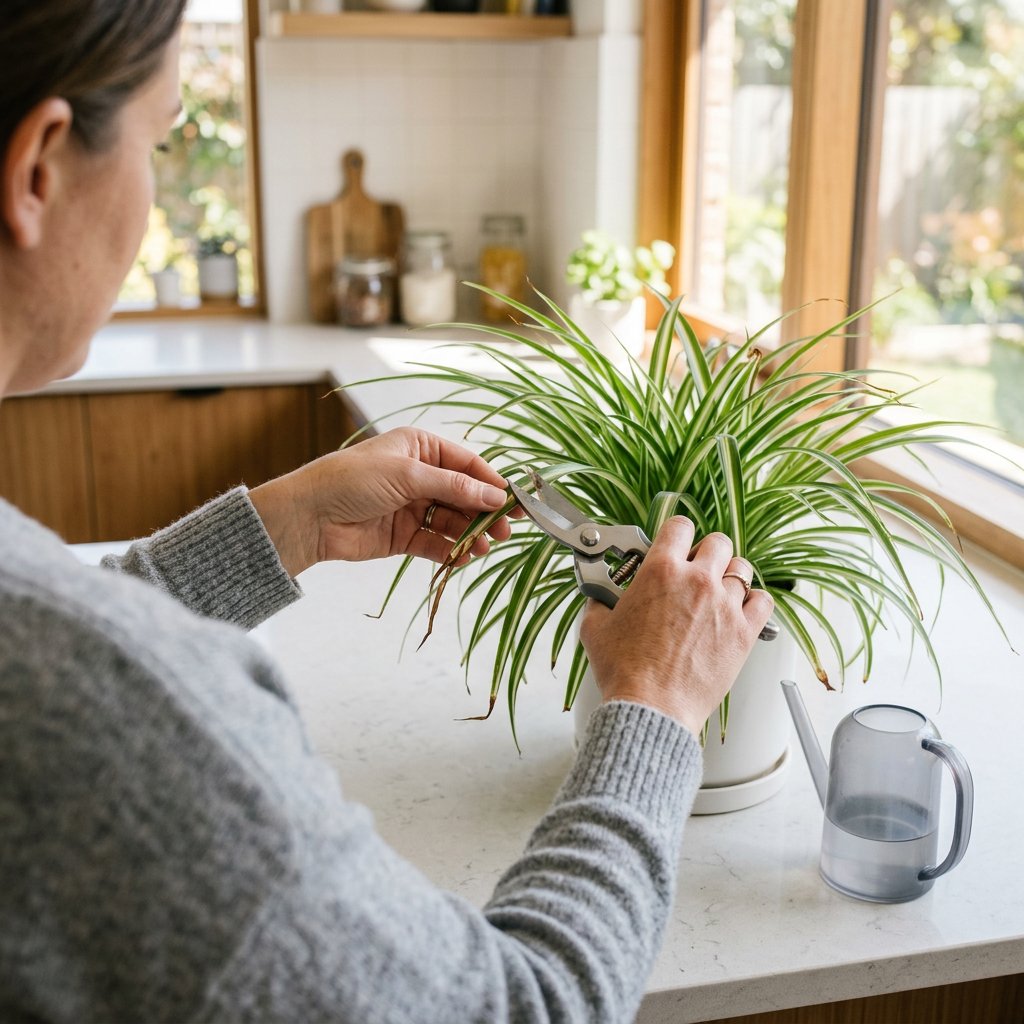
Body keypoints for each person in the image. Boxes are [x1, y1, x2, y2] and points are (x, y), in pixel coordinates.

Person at [0, 3, 774, 1021]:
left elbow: (46, 657)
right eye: (159, 138)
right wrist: (654, 708)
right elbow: (526, 1006)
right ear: (40, 167)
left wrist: (282, 524)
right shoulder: (131, 713)